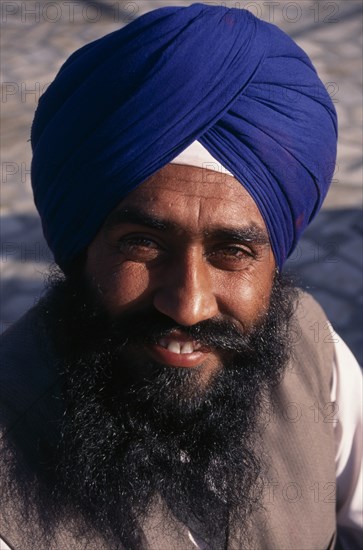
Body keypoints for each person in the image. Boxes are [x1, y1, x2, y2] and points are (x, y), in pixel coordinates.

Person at [0, 4, 362, 549]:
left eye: (233, 251)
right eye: (143, 244)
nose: (189, 305)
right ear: (81, 246)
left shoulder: (312, 352)